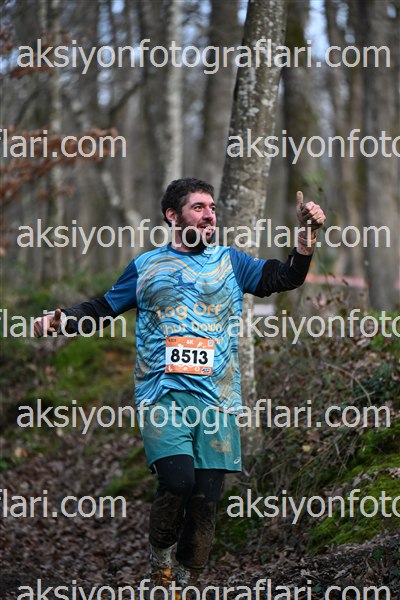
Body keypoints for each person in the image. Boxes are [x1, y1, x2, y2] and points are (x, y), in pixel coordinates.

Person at [34, 177, 326, 588]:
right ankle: (161, 559)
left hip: (218, 399)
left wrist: (307, 234)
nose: (209, 215)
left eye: (212, 208)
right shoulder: (147, 267)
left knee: (206, 502)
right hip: (163, 394)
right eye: (198, 208)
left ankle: (187, 582)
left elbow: (287, 277)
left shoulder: (231, 262)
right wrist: (62, 319)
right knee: (178, 481)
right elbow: (102, 308)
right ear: (173, 215)